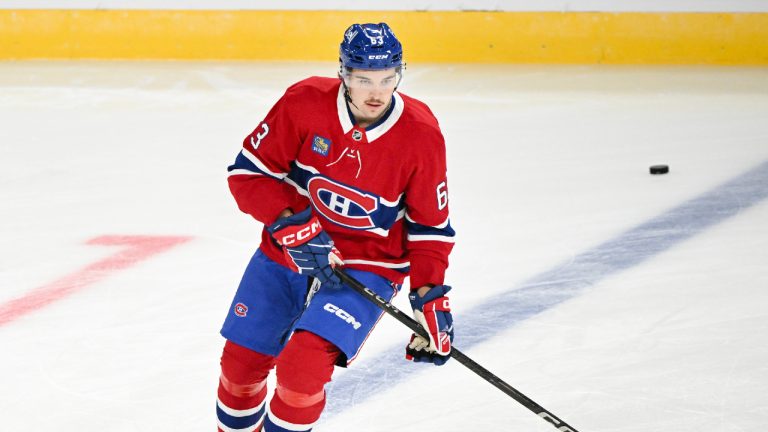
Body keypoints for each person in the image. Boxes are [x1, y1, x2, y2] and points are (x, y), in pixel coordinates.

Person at [217, 22, 456, 432]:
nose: (376, 92)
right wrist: (291, 222)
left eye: (387, 79)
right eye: (363, 79)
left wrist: (428, 293)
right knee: (240, 368)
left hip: (367, 267)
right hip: (290, 253)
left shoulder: (420, 134)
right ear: (343, 73)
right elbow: (247, 175)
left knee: (301, 373)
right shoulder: (304, 102)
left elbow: (430, 228)